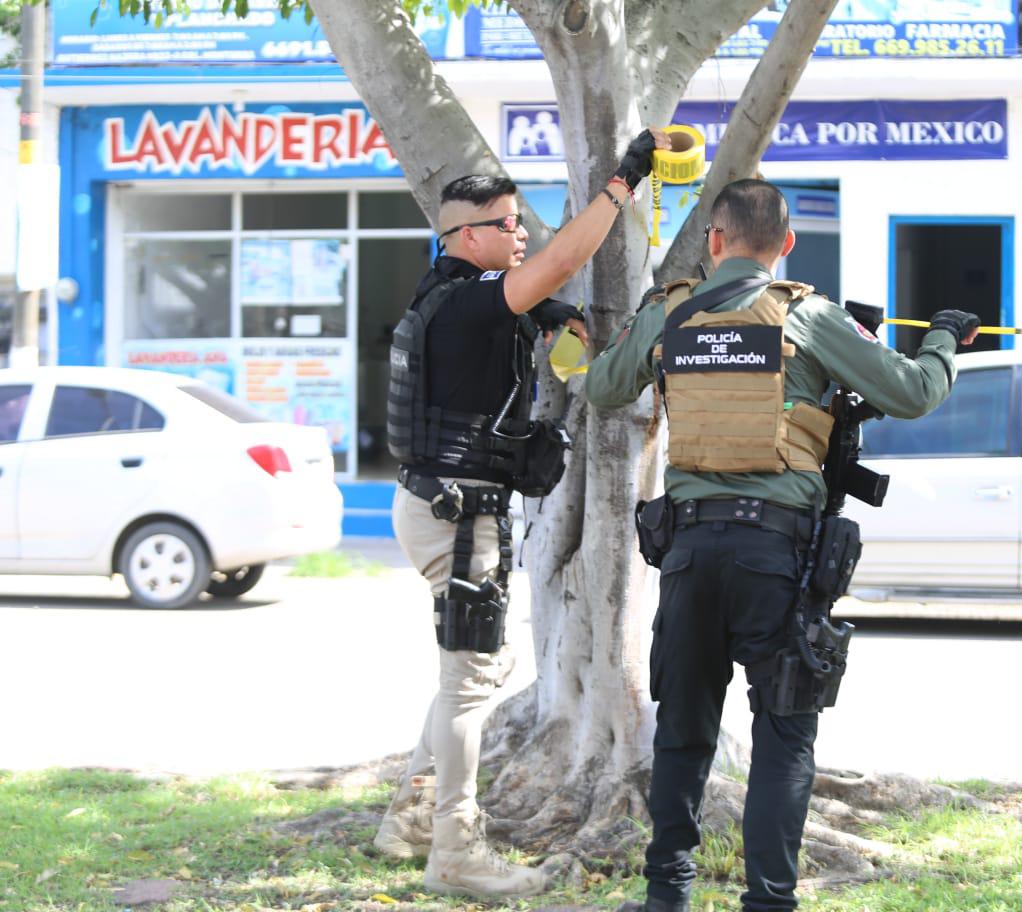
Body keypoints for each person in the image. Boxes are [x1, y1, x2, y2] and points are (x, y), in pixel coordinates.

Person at [583, 178, 980, 912]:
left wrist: (638, 327)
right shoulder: (809, 315)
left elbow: (603, 387)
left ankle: (666, 894)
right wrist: (946, 337)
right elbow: (916, 392)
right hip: (778, 557)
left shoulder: (671, 312)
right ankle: (769, 902)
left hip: (692, 555)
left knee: (684, 730)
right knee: (785, 731)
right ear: (786, 244)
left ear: (714, 240)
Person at [375, 127, 668, 900]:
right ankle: (454, 849)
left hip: (437, 506)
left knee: (471, 672)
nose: (520, 235)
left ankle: (410, 816)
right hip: (459, 517)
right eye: (507, 225)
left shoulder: (442, 294)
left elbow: (502, 319)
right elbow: (564, 260)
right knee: (471, 682)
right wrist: (623, 182)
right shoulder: (474, 301)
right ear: (467, 234)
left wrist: (536, 319)